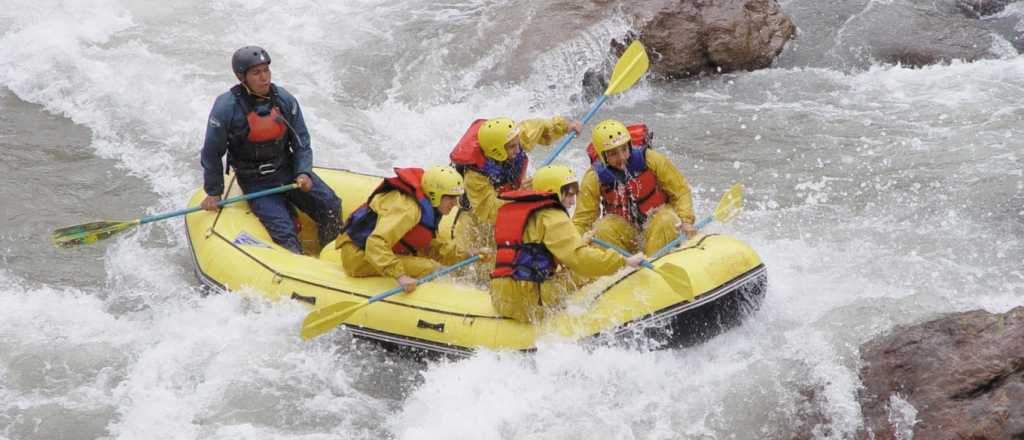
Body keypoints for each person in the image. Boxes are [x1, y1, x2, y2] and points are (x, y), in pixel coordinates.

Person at [200, 45, 342, 254]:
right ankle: (296, 264)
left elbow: (301, 141)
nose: (264, 77)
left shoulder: (284, 99)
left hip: (287, 170)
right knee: (285, 230)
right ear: (242, 77)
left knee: (330, 204)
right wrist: (214, 192)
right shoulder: (226, 107)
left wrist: (303, 171)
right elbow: (212, 152)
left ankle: (330, 254)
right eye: (256, 73)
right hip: (255, 181)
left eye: (266, 70)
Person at [489, 165, 645, 323]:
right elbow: (581, 260)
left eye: (575, 193)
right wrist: (624, 262)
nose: (573, 201)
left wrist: (580, 242)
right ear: (554, 191)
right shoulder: (552, 216)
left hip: (500, 297)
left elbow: (532, 254)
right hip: (529, 303)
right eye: (569, 194)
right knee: (584, 273)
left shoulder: (517, 210)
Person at [448, 116, 583, 248]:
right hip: (476, 215)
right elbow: (490, 212)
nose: (518, 150)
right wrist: (522, 197)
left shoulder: (514, 137)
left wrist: (565, 126)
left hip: (509, 193)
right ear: (497, 150)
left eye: (517, 144)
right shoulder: (475, 176)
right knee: (484, 252)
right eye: (512, 147)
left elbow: (542, 126)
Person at [336, 165, 471, 293]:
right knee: (429, 268)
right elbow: (376, 242)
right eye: (451, 198)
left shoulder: (428, 207)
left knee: (428, 262)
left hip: (373, 252)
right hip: (358, 256)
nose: (455, 203)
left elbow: (429, 245)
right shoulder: (408, 210)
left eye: (456, 198)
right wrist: (400, 276)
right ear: (435, 194)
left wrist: (467, 254)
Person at [573, 119, 697, 257]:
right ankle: (620, 265)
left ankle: (653, 260)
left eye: (624, 149)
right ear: (602, 156)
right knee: (601, 229)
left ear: (630, 146)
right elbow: (583, 220)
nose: (622, 157)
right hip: (627, 233)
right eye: (613, 153)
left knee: (666, 219)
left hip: (657, 223)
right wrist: (574, 247)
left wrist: (686, 221)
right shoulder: (593, 177)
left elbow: (680, 191)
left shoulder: (651, 159)